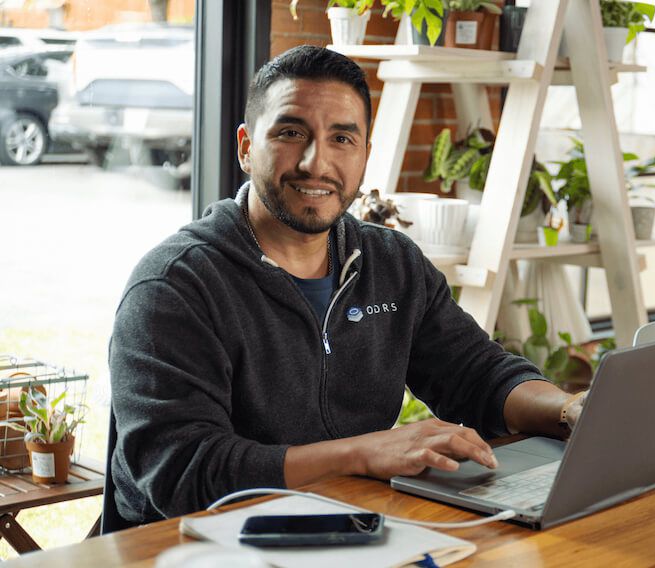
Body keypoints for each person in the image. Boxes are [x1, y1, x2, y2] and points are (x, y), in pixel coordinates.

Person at [109, 45, 585, 525]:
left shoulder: (391, 262)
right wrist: (361, 453)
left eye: (342, 138)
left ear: (364, 156)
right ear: (246, 147)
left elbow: (477, 374)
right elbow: (184, 473)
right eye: (292, 133)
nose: (317, 163)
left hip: (346, 529)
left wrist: (567, 409)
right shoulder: (173, 288)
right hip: (193, 548)